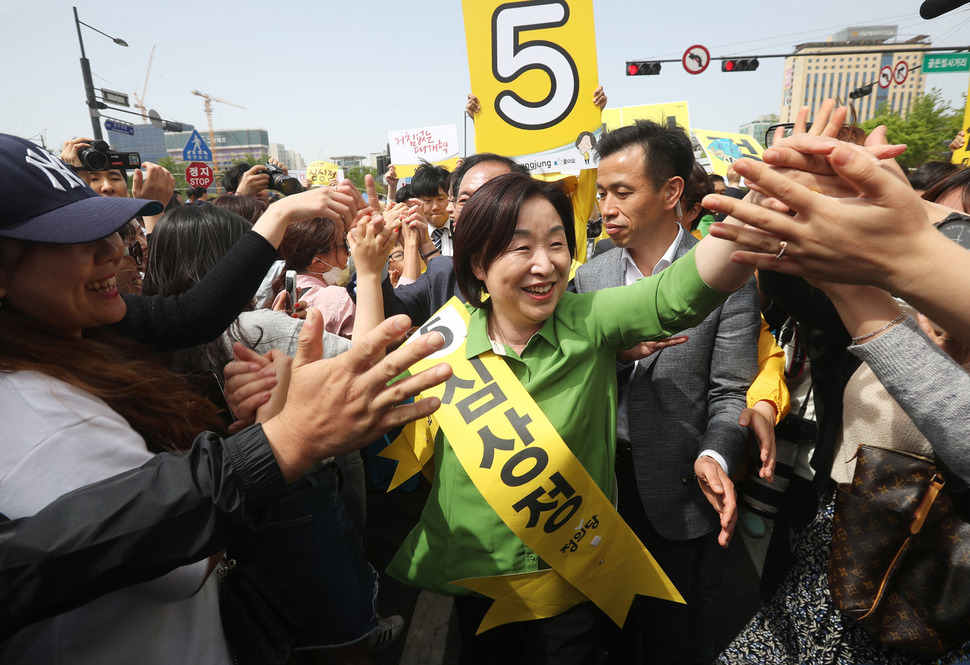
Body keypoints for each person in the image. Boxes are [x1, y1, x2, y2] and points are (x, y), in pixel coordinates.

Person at [0, 132, 451, 658]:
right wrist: (285, 438)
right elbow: (179, 557)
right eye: (71, 238)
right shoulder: (46, 420)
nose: (115, 249)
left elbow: (193, 314)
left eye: (109, 227)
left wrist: (250, 433)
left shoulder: (75, 334)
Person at [380, 171, 756, 664]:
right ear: (478, 262)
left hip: (571, 578)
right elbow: (378, 394)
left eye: (557, 244)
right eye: (521, 248)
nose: (545, 265)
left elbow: (677, 292)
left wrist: (760, 208)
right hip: (477, 580)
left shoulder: (591, 319)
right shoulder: (442, 341)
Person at [573, 119, 761, 665]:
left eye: (623, 192)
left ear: (672, 192)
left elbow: (731, 392)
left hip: (680, 494)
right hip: (599, 489)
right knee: (607, 635)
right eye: (603, 192)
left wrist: (715, 453)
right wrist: (613, 358)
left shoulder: (724, 275)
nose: (606, 207)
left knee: (675, 638)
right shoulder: (591, 276)